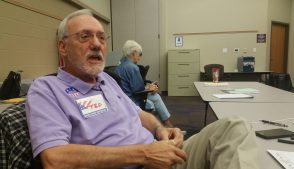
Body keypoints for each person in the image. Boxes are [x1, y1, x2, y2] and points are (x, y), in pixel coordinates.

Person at [26, 9, 259, 169]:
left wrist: (160, 130)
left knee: (234, 126)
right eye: (84, 36)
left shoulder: (106, 79)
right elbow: (54, 159)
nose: (96, 44)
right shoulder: (46, 89)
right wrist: (145, 153)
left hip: (158, 154)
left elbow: (139, 114)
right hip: (139, 161)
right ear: (63, 47)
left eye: (101, 37)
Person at [115, 40, 173, 127]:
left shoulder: (119, 67)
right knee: (155, 96)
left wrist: (148, 87)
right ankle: (167, 126)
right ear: (134, 53)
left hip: (123, 99)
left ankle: (165, 126)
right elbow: (138, 90)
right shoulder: (133, 68)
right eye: (139, 54)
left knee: (154, 97)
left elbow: (133, 87)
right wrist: (150, 89)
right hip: (132, 100)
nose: (140, 58)